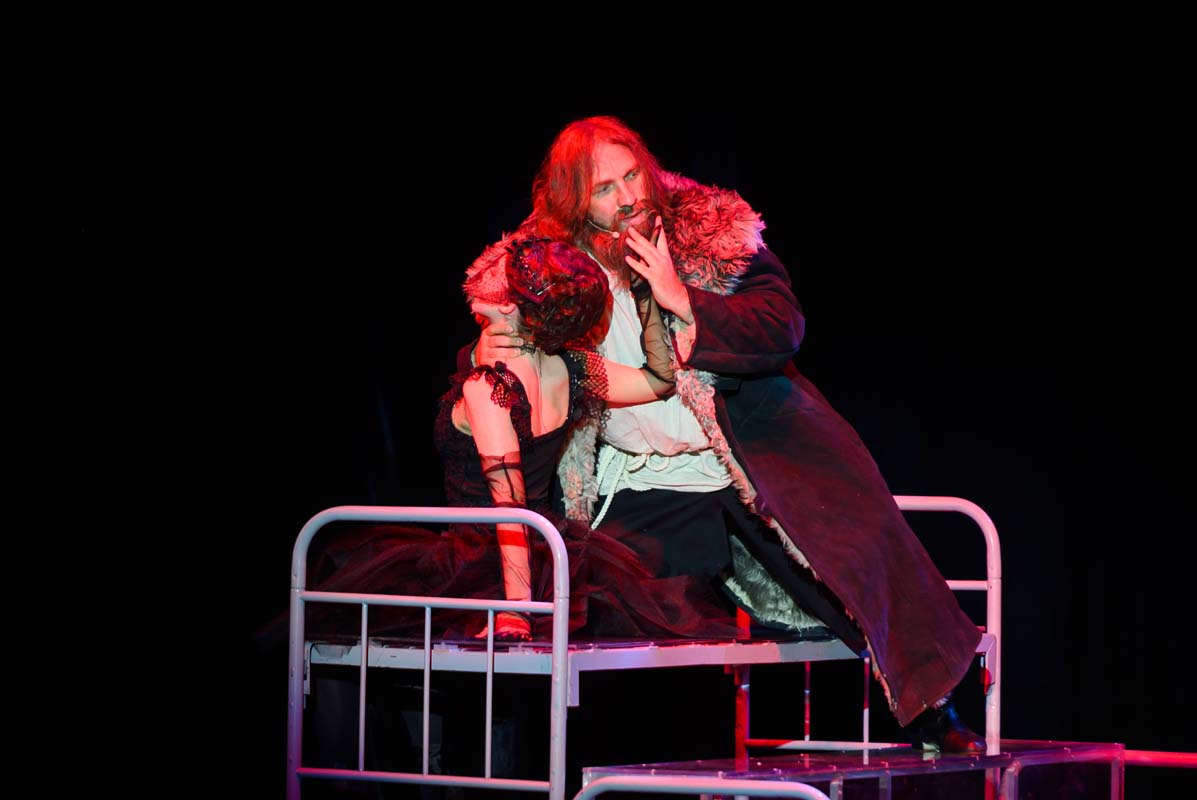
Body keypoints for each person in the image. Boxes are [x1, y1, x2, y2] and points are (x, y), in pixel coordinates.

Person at [467, 116, 985, 752]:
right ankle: (606, 766)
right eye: (604, 188)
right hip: (642, 480)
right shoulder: (543, 270)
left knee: (853, 564)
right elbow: (498, 353)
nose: (627, 197)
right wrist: (497, 353)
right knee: (603, 606)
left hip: (744, 462)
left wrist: (682, 298)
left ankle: (935, 714)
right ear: (575, 201)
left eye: (631, 176)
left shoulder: (710, 229)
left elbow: (781, 324)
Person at [295, 236, 739, 643]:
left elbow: (510, 507)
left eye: (502, 277)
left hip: (489, 562)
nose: (488, 277)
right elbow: (659, 379)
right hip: (547, 556)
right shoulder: (572, 368)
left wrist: (516, 610)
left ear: (511, 307)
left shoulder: (490, 387)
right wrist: (644, 298)